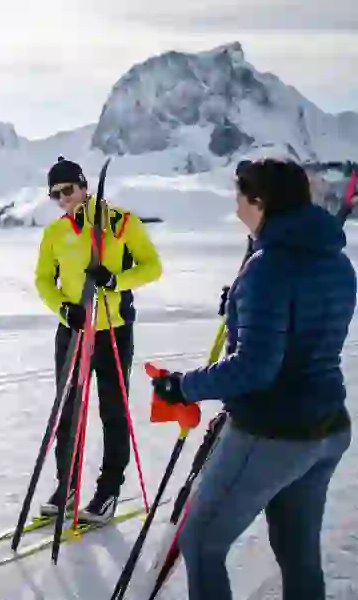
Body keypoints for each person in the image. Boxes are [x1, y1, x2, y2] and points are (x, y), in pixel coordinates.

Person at [151, 157, 355, 600]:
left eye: (240, 195)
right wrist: (245, 305)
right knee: (298, 552)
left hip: (274, 432)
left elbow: (256, 367)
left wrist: (183, 385)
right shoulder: (338, 263)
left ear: (259, 202)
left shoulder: (268, 266)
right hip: (328, 428)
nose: (236, 205)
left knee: (201, 542)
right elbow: (303, 331)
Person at [34, 157, 163, 522]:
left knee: (112, 411)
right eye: (55, 194)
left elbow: (152, 266)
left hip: (113, 328)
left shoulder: (120, 223)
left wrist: (114, 281)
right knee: (68, 410)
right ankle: (67, 486)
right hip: (74, 330)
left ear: (83, 186)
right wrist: (64, 309)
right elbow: (44, 280)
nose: (63, 199)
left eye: (68, 190)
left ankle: (107, 492)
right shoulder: (55, 234)